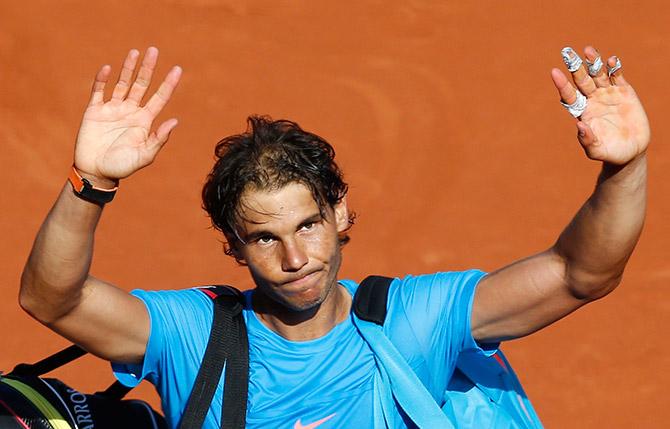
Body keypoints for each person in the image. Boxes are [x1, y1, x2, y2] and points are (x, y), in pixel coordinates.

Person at [19, 44, 649, 428]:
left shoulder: (412, 322)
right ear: (232, 246)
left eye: (309, 224)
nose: (296, 259)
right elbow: (55, 300)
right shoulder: (195, 334)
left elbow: (579, 274)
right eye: (264, 239)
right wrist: (90, 182)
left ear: (341, 213)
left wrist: (624, 168)